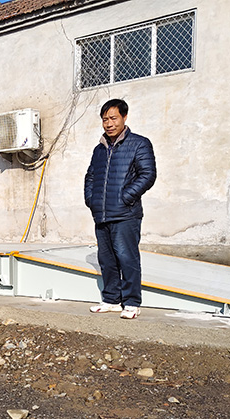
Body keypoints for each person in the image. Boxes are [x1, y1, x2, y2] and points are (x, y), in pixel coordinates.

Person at [84, 99, 156, 319]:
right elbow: (91, 176)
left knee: (127, 258)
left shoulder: (139, 144)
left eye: (113, 118)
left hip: (126, 214)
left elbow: (148, 174)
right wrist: (91, 200)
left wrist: (125, 197)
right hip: (102, 214)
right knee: (107, 260)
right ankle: (111, 300)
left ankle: (132, 302)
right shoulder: (99, 149)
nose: (109, 124)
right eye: (105, 119)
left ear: (124, 117)